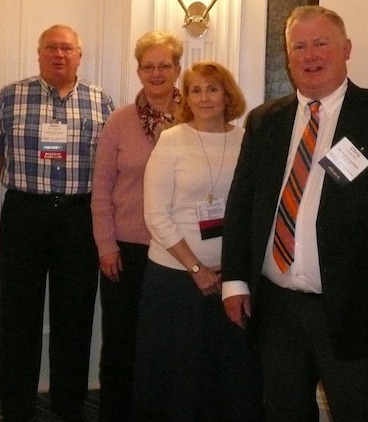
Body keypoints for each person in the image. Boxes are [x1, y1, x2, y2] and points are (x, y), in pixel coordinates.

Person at [222, 5, 368, 422]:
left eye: (321, 43)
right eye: (298, 47)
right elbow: (242, 205)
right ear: (288, 58)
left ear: (346, 49)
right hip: (276, 309)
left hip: (360, 309)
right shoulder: (266, 120)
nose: (310, 55)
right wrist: (234, 280)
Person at [0, 24, 114, 422]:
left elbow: (111, 168)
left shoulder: (100, 100)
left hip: (78, 217)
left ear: (79, 55)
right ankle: (15, 406)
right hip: (24, 213)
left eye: (66, 48)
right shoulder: (11, 96)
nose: (59, 54)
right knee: (19, 314)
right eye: (51, 47)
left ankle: (68, 405)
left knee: (75, 314)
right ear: (39, 54)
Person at [133, 61, 263, 422]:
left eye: (212, 89)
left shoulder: (246, 140)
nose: (204, 97)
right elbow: (155, 214)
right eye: (195, 90)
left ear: (227, 95)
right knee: (179, 376)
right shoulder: (171, 140)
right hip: (175, 278)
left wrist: (234, 271)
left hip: (231, 278)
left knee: (227, 374)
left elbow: (254, 207)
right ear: (186, 97)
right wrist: (196, 268)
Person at [90, 30, 183, 422]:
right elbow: (101, 189)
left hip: (179, 250)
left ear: (178, 69)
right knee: (121, 340)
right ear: (138, 70)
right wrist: (105, 245)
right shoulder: (120, 121)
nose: (157, 73)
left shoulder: (197, 115)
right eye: (149, 66)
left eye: (165, 65)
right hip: (125, 250)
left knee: (170, 341)